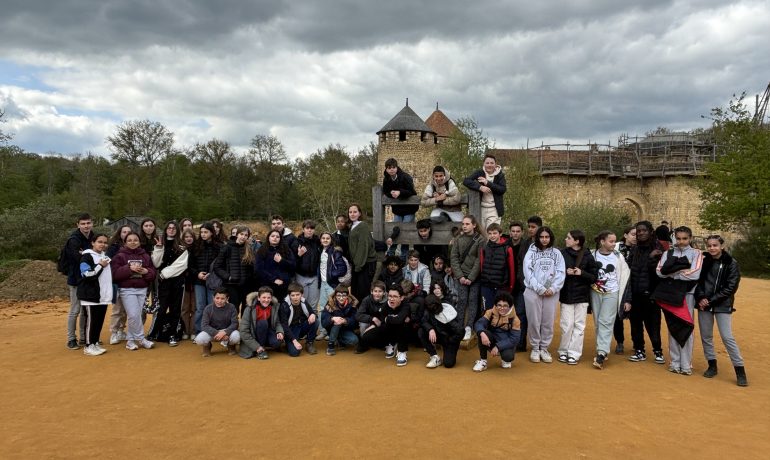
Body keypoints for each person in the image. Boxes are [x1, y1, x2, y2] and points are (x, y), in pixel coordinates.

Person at [695, 235, 748, 386]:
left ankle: (740, 370)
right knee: (706, 336)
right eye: (709, 245)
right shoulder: (703, 261)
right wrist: (701, 297)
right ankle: (712, 365)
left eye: (715, 245)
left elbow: (731, 287)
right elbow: (697, 281)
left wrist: (710, 300)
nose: (712, 248)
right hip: (704, 304)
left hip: (722, 305)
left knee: (727, 337)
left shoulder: (731, 263)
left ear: (722, 246)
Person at [653, 226, 702, 375]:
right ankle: (675, 362)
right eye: (679, 238)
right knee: (672, 326)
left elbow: (695, 274)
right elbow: (659, 272)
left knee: (687, 325)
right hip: (671, 294)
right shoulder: (669, 252)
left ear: (690, 238)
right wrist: (681, 271)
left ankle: (686, 364)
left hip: (687, 294)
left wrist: (672, 273)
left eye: (685, 239)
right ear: (675, 238)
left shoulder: (696, 253)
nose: (681, 242)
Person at [622, 221, 665, 364]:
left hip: (651, 293)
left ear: (650, 231)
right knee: (635, 323)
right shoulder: (635, 249)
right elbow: (628, 267)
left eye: (643, 231)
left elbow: (659, 272)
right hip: (635, 292)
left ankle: (657, 351)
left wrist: (652, 258)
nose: (640, 233)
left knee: (653, 324)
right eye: (638, 231)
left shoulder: (658, 249)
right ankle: (639, 350)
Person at [523, 226, 565, 363]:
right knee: (534, 320)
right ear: (537, 238)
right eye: (542, 237)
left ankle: (544, 348)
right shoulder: (530, 252)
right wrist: (540, 288)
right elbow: (527, 272)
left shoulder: (557, 253)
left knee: (548, 321)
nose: (544, 239)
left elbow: (560, 272)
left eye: (547, 237)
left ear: (551, 238)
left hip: (551, 293)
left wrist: (553, 288)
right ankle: (535, 348)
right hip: (533, 291)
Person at [590, 231, 629, 369]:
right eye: (611, 241)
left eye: (614, 241)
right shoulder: (592, 254)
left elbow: (625, 276)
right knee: (598, 322)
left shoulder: (618, 257)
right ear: (602, 242)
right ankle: (601, 348)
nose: (614, 244)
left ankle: (601, 353)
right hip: (595, 292)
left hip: (612, 292)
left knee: (606, 321)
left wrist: (626, 298)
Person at [557, 230, 597, 365]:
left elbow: (594, 277)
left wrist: (581, 273)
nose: (565, 239)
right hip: (566, 295)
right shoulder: (561, 254)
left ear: (577, 241)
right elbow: (556, 273)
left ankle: (574, 353)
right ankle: (563, 351)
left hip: (582, 296)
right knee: (566, 325)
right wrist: (565, 273)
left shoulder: (587, 255)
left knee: (579, 326)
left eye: (568, 238)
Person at [110, 232, 156, 351]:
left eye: (135, 240)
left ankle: (130, 341)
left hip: (142, 289)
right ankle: (141, 339)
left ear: (139, 242)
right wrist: (129, 269)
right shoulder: (119, 256)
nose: (133, 242)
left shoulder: (145, 256)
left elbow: (152, 273)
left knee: (135, 316)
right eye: (129, 240)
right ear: (125, 242)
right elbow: (114, 274)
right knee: (133, 314)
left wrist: (146, 272)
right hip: (127, 289)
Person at [149, 221, 189, 346]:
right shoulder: (160, 243)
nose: (171, 230)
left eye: (173, 228)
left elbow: (182, 265)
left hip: (177, 282)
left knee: (175, 309)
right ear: (166, 229)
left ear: (177, 230)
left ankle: (173, 335)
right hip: (163, 283)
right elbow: (156, 263)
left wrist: (164, 273)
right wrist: (159, 248)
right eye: (169, 228)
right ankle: (153, 333)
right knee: (160, 309)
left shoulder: (182, 246)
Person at [77, 233, 112, 356]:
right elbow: (87, 274)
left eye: (105, 242)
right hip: (90, 296)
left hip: (102, 296)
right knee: (91, 321)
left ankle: (95, 342)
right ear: (93, 243)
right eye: (100, 242)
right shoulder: (87, 256)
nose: (102, 244)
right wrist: (100, 266)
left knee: (99, 321)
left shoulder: (105, 257)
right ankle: (88, 345)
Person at [450, 215, 484, 341]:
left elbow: (479, 260)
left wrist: (471, 277)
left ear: (474, 225)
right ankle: (460, 327)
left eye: (467, 224)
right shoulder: (458, 239)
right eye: (463, 224)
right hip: (461, 277)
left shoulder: (480, 240)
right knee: (462, 300)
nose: (464, 226)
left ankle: (469, 327)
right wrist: (460, 276)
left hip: (474, 278)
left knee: (472, 301)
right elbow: (454, 258)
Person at [359, 285, 411, 366]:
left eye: (395, 296)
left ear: (401, 298)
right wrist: (373, 325)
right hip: (390, 330)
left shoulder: (406, 304)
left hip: (405, 331)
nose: (391, 299)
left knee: (402, 324)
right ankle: (390, 344)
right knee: (367, 336)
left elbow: (399, 320)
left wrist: (389, 318)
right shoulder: (385, 306)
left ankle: (402, 352)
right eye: (390, 296)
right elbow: (382, 321)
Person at [472, 291, 521, 372]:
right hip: (491, 338)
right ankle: (483, 361)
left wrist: (498, 346)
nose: (502, 308)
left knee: (508, 357)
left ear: (510, 306)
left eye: (505, 306)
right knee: (482, 333)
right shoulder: (490, 312)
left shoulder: (515, 320)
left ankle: (504, 357)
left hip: (505, 341)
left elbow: (514, 339)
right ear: (496, 305)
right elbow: (479, 323)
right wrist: (482, 333)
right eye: (499, 305)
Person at [64, 213, 93, 350]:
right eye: (83, 223)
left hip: (89, 279)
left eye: (88, 223)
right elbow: (77, 258)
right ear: (78, 225)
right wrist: (88, 255)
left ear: (92, 223)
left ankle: (83, 337)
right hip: (75, 279)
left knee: (85, 310)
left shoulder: (93, 237)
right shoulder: (73, 240)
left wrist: (85, 253)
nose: (86, 226)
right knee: (75, 310)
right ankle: (71, 339)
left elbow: (97, 254)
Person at [189, 222, 221, 336]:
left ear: (212, 233)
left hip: (213, 281)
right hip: (199, 282)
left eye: (205, 232)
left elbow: (221, 265)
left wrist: (212, 275)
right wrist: (197, 274)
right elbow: (190, 265)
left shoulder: (219, 246)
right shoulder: (195, 246)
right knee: (200, 307)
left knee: (212, 306)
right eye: (201, 232)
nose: (203, 234)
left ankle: (212, 331)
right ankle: (198, 331)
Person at [213, 225, 255, 313]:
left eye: (246, 235)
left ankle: (244, 327)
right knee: (234, 308)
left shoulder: (249, 249)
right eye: (241, 234)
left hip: (246, 285)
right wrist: (227, 277)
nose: (243, 237)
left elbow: (252, 268)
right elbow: (217, 267)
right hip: (232, 284)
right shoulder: (227, 247)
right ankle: (233, 327)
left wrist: (249, 279)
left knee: (246, 308)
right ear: (237, 235)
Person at [382, 158, 418, 258]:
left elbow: (412, 192)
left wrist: (400, 192)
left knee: (405, 232)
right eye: (389, 168)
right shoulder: (387, 179)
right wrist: (391, 194)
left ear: (397, 168)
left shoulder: (405, 177)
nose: (392, 170)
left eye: (394, 167)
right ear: (386, 169)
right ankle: (390, 254)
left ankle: (403, 257)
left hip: (409, 210)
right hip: (397, 210)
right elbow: (385, 191)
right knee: (396, 231)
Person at [317, 231, 349, 339]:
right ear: (320, 240)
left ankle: (332, 331)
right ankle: (322, 331)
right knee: (322, 307)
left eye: (328, 238)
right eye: (323, 238)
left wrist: (331, 274)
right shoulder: (320, 251)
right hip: (323, 283)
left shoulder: (335, 252)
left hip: (332, 284)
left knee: (333, 307)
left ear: (331, 240)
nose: (325, 240)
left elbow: (342, 268)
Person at [419, 294, 463, 369]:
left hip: (450, 340)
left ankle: (449, 350)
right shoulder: (429, 310)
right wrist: (430, 329)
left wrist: (451, 340)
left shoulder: (449, 314)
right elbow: (423, 321)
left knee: (448, 364)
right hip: (439, 335)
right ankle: (435, 357)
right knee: (421, 331)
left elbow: (461, 331)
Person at [463, 154, 507, 228]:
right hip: (480, 208)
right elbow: (466, 181)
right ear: (484, 164)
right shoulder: (480, 172)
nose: (489, 165)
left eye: (492, 163)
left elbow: (502, 189)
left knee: (491, 232)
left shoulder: (500, 175)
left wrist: (488, 183)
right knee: (481, 232)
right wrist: (480, 187)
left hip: (494, 209)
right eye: (487, 163)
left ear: (495, 164)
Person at [239, 287, 284, 360]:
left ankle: (263, 345)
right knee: (263, 323)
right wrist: (256, 347)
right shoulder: (249, 309)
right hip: (253, 335)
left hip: (266, 332)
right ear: (258, 298)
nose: (266, 300)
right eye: (264, 297)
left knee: (277, 342)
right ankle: (260, 349)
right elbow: (244, 331)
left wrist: (280, 331)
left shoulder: (272, 307)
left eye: (268, 298)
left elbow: (277, 322)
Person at [478, 223, 515, 311]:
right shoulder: (485, 247)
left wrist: (510, 287)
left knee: (500, 311)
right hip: (486, 286)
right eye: (490, 233)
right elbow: (482, 266)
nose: (492, 236)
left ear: (500, 234)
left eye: (494, 233)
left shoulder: (507, 249)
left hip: (501, 287)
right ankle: (487, 325)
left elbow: (512, 269)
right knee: (487, 311)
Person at [194, 287, 240, 357]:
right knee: (199, 339)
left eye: (222, 298)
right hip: (213, 332)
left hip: (226, 332)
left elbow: (235, 323)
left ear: (227, 299)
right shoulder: (208, 308)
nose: (219, 301)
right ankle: (207, 346)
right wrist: (217, 333)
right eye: (217, 298)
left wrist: (225, 332)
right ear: (213, 298)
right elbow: (204, 325)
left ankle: (231, 346)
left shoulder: (232, 307)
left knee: (236, 336)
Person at [106, 225, 132, 345]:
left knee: (126, 310)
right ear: (119, 233)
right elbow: (109, 263)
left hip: (130, 282)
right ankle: (114, 332)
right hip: (117, 282)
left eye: (128, 232)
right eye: (124, 232)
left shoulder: (133, 247)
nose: (126, 234)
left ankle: (121, 330)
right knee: (117, 309)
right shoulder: (113, 247)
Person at [278, 282, 319, 356]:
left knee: (315, 321)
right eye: (292, 295)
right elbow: (284, 326)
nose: (295, 297)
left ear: (301, 295)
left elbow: (312, 312)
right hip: (290, 330)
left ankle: (309, 343)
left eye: (298, 295)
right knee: (295, 352)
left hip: (301, 326)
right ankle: (288, 344)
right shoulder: (284, 306)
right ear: (289, 296)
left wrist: (313, 314)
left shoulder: (303, 301)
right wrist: (294, 341)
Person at [613, 225, 636, 354]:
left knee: (635, 316)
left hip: (634, 284)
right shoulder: (615, 248)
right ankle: (619, 342)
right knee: (618, 316)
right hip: (619, 284)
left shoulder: (639, 248)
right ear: (626, 235)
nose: (635, 237)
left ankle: (636, 342)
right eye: (633, 234)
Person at [255, 229, 295, 302]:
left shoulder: (286, 250)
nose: (275, 238)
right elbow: (258, 269)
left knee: (282, 308)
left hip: (284, 286)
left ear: (280, 238)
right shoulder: (262, 250)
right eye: (272, 236)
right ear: (268, 237)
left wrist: (281, 261)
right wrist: (273, 279)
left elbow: (293, 266)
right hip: (267, 286)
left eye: (277, 236)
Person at [347, 203, 377, 302]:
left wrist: (358, 265)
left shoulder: (362, 225)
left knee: (363, 292)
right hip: (357, 264)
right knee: (355, 291)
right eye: (350, 212)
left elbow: (363, 246)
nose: (352, 214)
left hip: (365, 263)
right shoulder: (352, 226)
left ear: (359, 213)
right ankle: (357, 314)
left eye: (355, 212)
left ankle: (365, 314)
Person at [322, 285, 359, 356]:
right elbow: (324, 322)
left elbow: (355, 321)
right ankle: (331, 345)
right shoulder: (330, 304)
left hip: (345, 329)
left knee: (354, 340)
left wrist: (345, 321)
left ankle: (339, 340)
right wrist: (332, 318)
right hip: (332, 328)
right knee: (337, 321)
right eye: (338, 295)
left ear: (347, 296)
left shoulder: (352, 305)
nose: (341, 298)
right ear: (335, 296)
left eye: (344, 295)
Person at [507, 220, 528, 351]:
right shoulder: (504, 245)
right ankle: (508, 341)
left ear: (522, 232)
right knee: (506, 314)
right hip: (507, 285)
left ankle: (520, 343)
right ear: (509, 232)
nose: (515, 234)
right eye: (513, 231)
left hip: (521, 285)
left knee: (520, 314)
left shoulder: (527, 246)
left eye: (518, 231)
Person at [180, 229, 197, 339]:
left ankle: (194, 331)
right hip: (183, 282)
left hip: (195, 281)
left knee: (195, 307)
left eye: (190, 236)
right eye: (186, 237)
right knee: (185, 308)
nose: (188, 238)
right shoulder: (180, 250)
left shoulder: (197, 249)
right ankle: (185, 331)